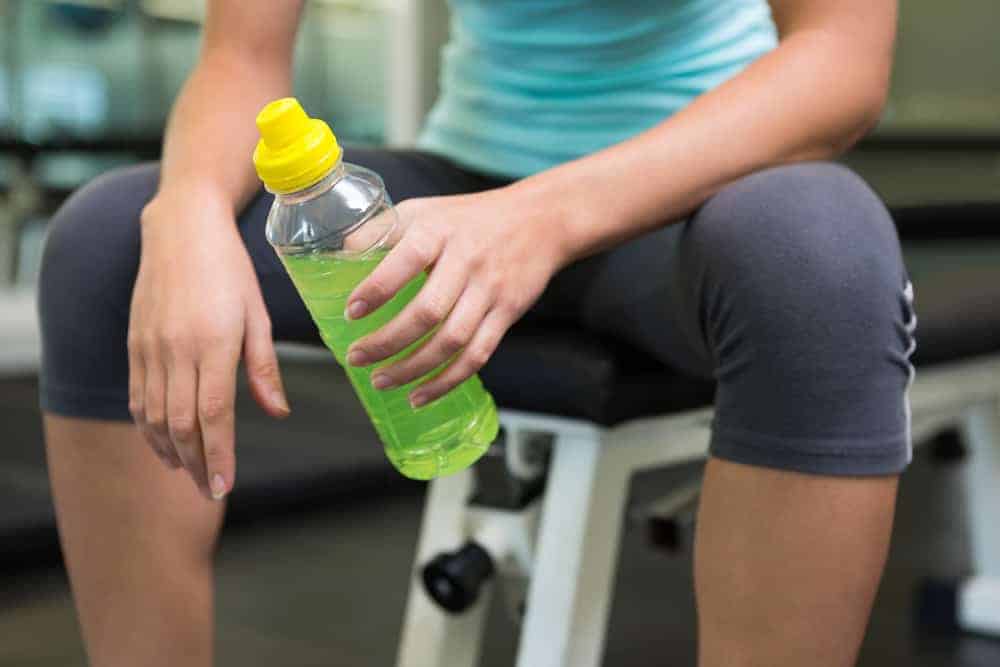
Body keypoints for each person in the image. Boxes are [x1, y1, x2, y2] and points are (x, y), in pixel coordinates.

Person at [38, 0, 912, 665]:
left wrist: (543, 216)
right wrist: (185, 210)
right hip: (464, 178)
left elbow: (841, 60)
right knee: (111, 241)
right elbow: (242, 59)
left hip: (691, 192)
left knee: (817, 255)